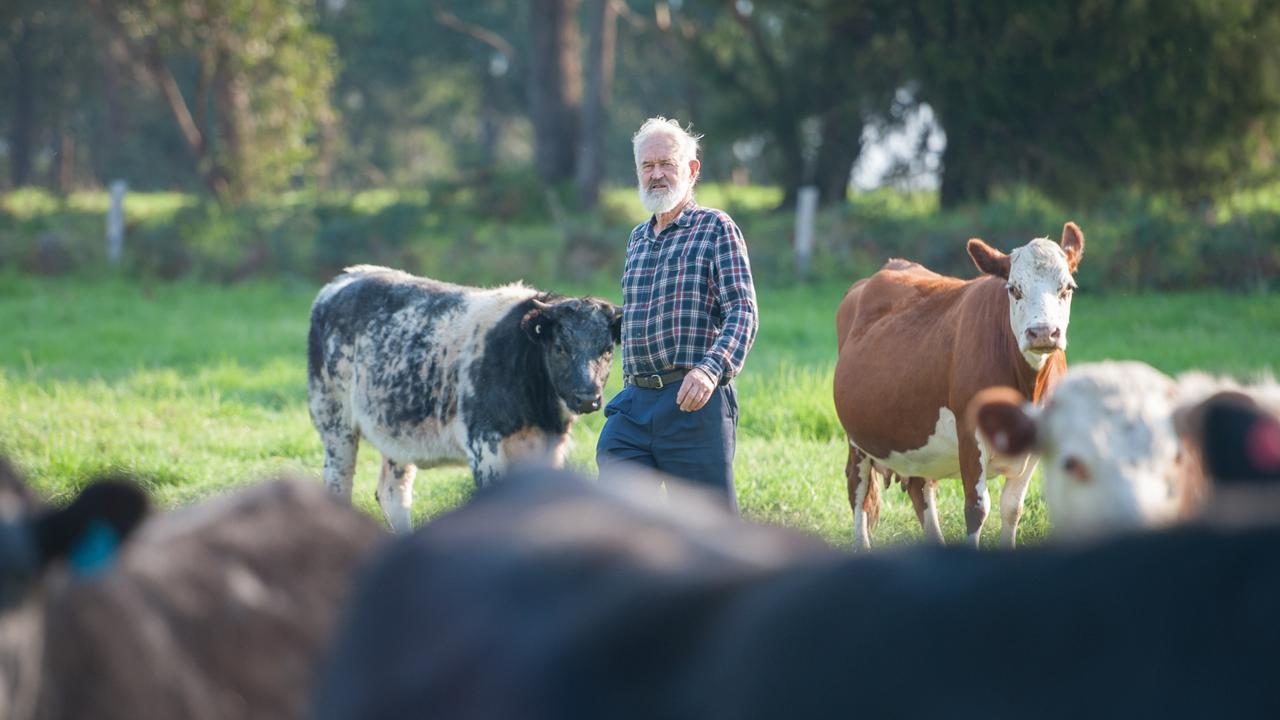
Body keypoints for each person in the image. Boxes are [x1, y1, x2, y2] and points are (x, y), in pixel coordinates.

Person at [595, 117, 759, 511]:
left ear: (692, 169)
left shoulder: (716, 228)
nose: (656, 175)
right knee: (622, 523)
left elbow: (743, 310)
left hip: (693, 404)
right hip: (634, 405)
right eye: (647, 166)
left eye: (666, 164)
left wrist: (710, 369)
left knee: (710, 534)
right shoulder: (637, 238)